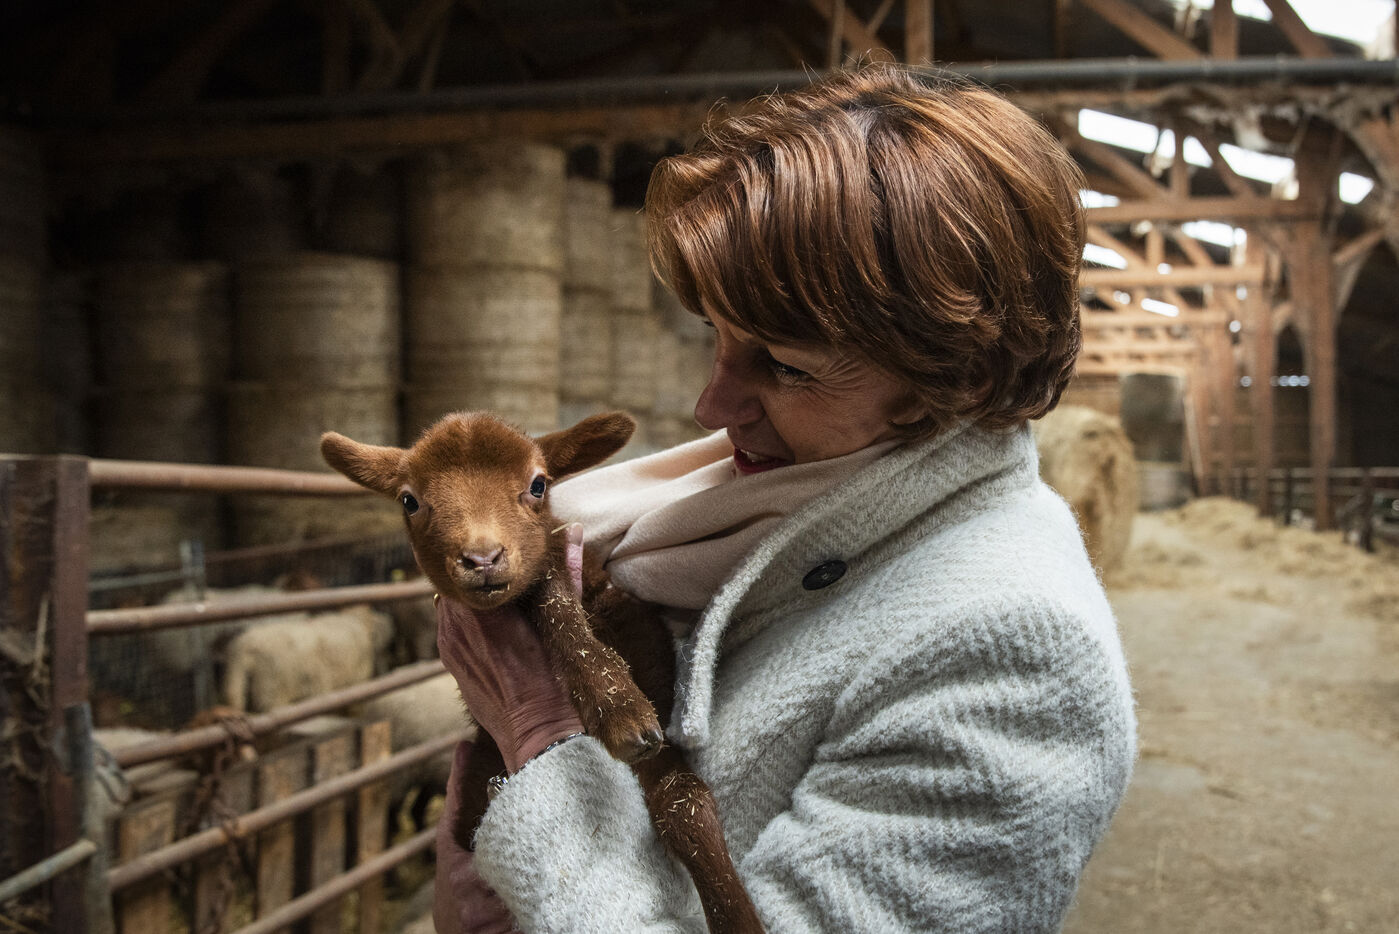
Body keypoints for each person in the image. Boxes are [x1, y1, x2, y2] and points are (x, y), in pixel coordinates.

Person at [433, 62, 1136, 933]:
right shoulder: (743, 516)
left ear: (956, 380)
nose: (710, 407)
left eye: (786, 366)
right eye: (718, 338)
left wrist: (540, 733)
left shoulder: (1011, 656)